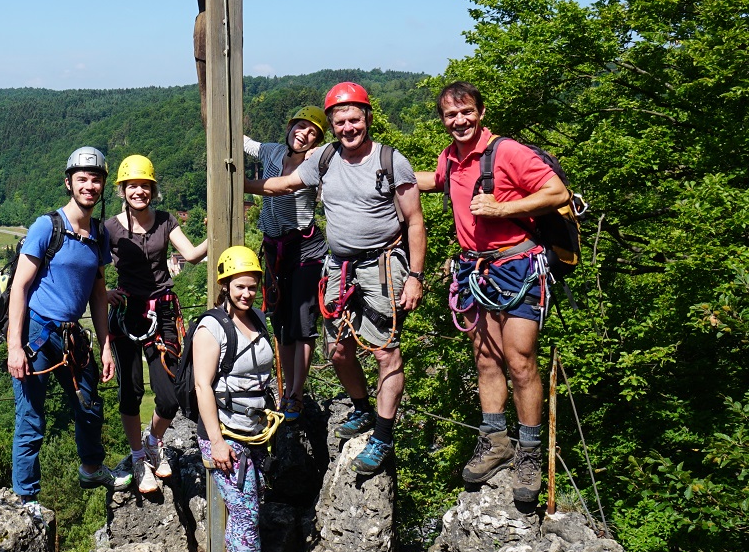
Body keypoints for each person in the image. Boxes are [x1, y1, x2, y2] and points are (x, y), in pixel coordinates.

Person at [245, 82, 426, 477]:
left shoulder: (391, 161)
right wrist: (239, 185)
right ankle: (362, 408)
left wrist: (414, 275)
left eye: (354, 119)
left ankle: (382, 434)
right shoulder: (325, 160)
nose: (348, 127)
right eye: (340, 120)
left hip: (381, 266)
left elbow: (414, 220)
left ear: (368, 119)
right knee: (338, 350)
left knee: (384, 351)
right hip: (338, 267)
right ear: (333, 124)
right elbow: (283, 184)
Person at [413, 81, 570, 502]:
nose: (459, 121)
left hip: (517, 265)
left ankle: (530, 451)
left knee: (520, 361)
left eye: (466, 112)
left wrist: (502, 208)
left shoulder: (507, 152)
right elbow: (438, 179)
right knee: (486, 360)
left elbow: (557, 192)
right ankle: (495, 439)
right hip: (475, 268)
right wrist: (381, 171)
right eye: (450, 115)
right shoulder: (452, 156)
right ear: (443, 119)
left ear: (480, 113)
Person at [6, 147, 117, 503]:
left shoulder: (99, 234)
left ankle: (91, 468)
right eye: (82, 179)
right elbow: (19, 287)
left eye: (95, 179)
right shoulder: (47, 226)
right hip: (36, 334)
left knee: (89, 406)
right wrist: (14, 347)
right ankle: (26, 500)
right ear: (69, 183)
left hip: (71, 334)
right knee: (31, 421)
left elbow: (98, 294)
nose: (89, 186)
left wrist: (106, 345)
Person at [106, 154, 207, 494]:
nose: (139, 191)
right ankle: (138, 458)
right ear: (122, 190)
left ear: (153, 189)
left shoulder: (165, 221)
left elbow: (191, 255)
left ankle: (153, 441)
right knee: (131, 391)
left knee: (170, 396)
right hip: (125, 313)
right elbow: (88, 263)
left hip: (161, 311)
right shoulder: (110, 228)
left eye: (145, 185)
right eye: (132, 186)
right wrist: (103, 293)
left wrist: (219, 231)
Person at [243, 105, 327, 420]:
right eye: (299, 127)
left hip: (305, 247)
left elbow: (287, 185)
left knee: (302, 322)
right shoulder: (274, 152)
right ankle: (287, 390)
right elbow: (245, 143)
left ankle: (295, 394)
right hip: (273, 248)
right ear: (290, 127)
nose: (302, 134)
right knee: (280, 321)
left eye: (311, 131)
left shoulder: (317, 161)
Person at [193, 246, 278, 552]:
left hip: (253, 430)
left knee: (254, 504)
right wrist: (216, 442)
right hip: (225, 433)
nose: (247, 293)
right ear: (225, 285)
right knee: (244, 512)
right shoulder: (211, 328)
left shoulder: (257, 318)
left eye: (252, 287)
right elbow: (202, 386)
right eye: (240, 286)